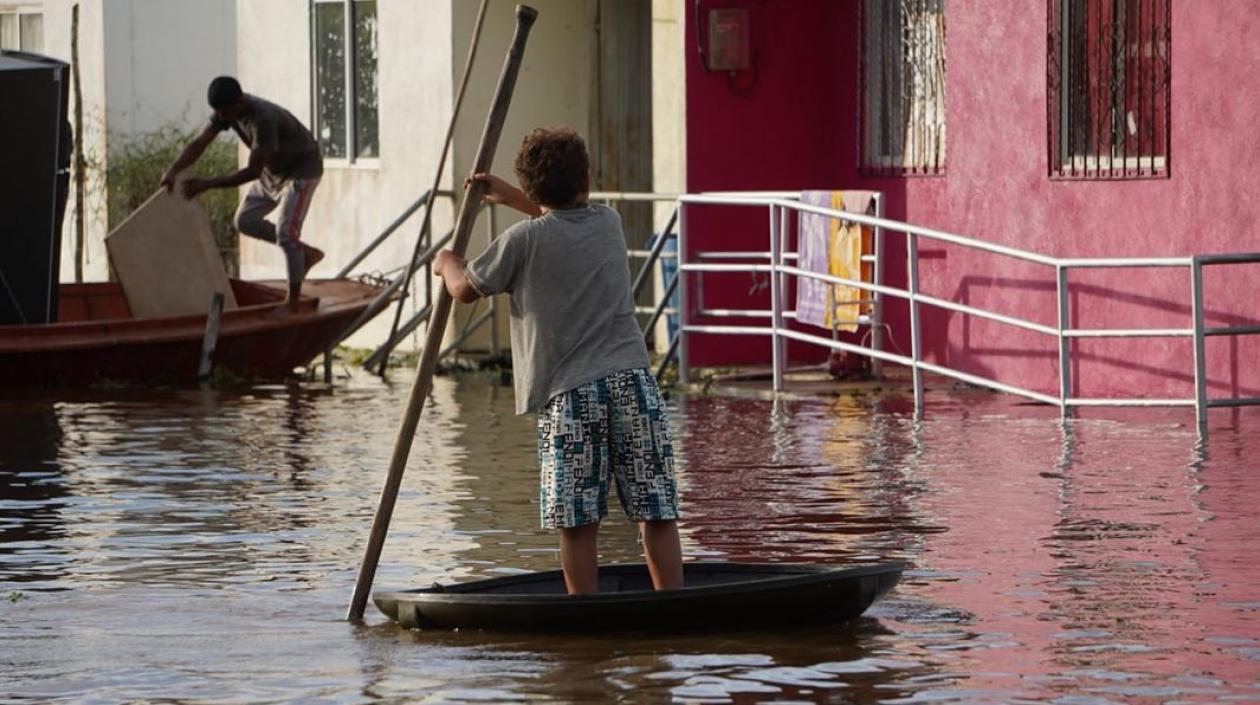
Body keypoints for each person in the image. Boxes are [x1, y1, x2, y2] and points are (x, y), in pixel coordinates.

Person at [433, 127, 684, 595]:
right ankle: (672, 602)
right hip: (633, 382)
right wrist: (516, 198)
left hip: (572, 396)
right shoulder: (608, 223)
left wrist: (447, 262)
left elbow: (465, 289)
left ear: (530, 188)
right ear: (587, 179)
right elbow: (563, 221)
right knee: (657, 509)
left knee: (577, 520)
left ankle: (583, 617)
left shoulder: (521, 242)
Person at [160, 76, 324, 310]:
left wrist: (206, 184)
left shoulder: (263, 119)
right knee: (244, 221)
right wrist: (173, 170)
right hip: (273, 172)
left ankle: (293, 303)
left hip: (301, 171)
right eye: (219, 113)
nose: (223, 118)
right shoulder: (226, 112)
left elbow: (251, 172)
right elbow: (200, 143)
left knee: (286, 233)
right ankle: (305, 254)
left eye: (226, 112)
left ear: (239, 102)